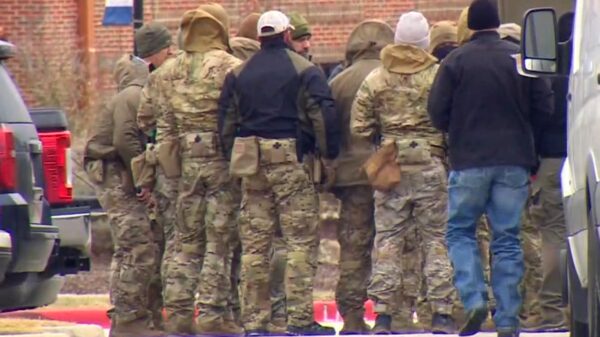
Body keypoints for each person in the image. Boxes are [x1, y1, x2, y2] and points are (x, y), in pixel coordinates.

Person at [427, 1, 554, 336]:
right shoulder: (519, 57)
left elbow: (436, 113)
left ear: (470, 25)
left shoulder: (455, 61)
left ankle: (473, 300)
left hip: (468, 162)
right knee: (508, 237)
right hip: (513, 161)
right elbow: (544, 106)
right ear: (498, 24)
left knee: (460, 231)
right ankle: (509, 317)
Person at [218, 10, 339, 335]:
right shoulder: (305, 70)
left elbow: (226, 122)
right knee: (300, 240)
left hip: (252, 163)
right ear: (287, 35)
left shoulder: (239, 72)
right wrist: (327, 156)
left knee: (256, 245)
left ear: (259, 38)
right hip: (291, 159)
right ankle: (300, 320)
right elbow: (323, 114)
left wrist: (233, 156)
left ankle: (255, 322)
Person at [351, 11, 456, 335]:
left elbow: (359, 125)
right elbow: (452, 119)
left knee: (388, 240)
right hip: (430, 164)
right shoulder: (439, 75)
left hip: (391, 165)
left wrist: (382, 140)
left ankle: (383, 315)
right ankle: (441, 314)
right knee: (435, 240)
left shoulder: (377, 78)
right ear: (425, 42)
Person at [153, 4, 243, 335]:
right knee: (220, 239)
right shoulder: (233, 67)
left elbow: (153, 120)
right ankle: (212, 314)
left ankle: (177, 313)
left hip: (183, 163)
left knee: (184, 240)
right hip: (222, 161)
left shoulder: (167, 72)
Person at [84, 55, 161, 337]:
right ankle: (130, 321)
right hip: (115, 174)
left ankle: (128, 316)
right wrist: (144, 181)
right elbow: (125, 141)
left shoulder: (127, 95)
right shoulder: (134, 95)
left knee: (130, 246)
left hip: (113, 172)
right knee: (138, 245)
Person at [328, 19, 394, 334]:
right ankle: (393, 313)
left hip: (352, 177)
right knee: (393, 242)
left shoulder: (338, 82)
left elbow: (328, 131)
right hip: (391, 175)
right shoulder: (393, 77)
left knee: (354, 246)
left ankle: (352, 316)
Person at [524, 12, 574, 333]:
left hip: (554, 161)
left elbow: (540, 115)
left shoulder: (549, 72)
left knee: (553, 235)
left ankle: (552, 312)